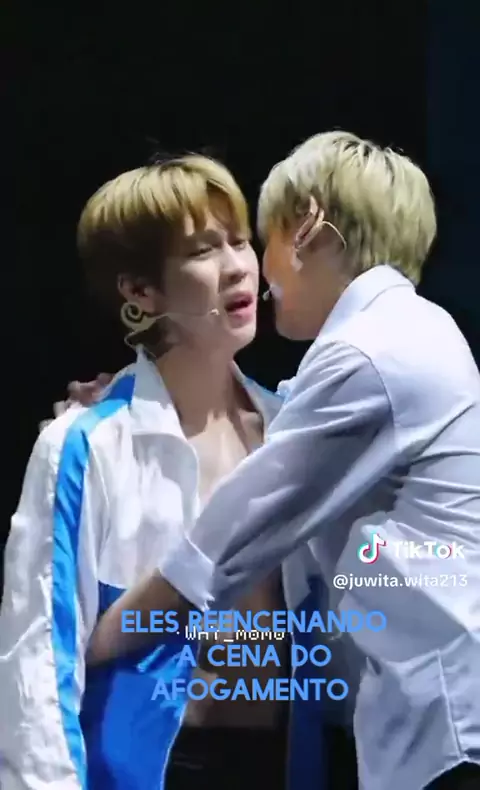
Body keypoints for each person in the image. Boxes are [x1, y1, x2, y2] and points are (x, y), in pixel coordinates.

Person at [84, 131, 480, 790]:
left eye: (253, 239)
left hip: (442, 734)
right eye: (210, 248)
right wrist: (127, 398)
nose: (252, 269)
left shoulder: (368, 354)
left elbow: (227, 540)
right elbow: (300, 421)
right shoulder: (406, 334)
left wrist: (88, 645)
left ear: (307, 228)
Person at [0, 155, 317, 790]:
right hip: (152, 771)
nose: (238, 266)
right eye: (203, 250)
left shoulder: (293, 429)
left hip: (287, 764)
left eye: (239, 241)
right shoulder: (87, 444)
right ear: (141, 292)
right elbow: (38, 657)